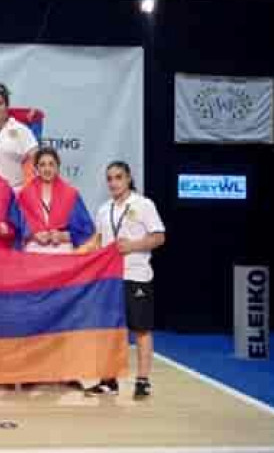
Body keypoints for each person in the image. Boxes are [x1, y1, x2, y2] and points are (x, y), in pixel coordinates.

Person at [78, 161, 165, 400]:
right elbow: (97, 241)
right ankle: (109, 380)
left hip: (136, 275)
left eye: (118, 177)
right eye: (110, 178)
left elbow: (159, 237)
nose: (113, 182)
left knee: (141, 329)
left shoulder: (143, 204)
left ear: (128, 178)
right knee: (109, 331)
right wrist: (73, 256)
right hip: (109, 279)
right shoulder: (104, 209)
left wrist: (133, 246)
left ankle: (143, 380)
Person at [18, 148, 94, 254]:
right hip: (34, 250)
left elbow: (86, 229)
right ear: (36, 168)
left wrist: (63, 236)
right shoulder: (25, 194)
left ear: (57, 167)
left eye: (51, 164)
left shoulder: (70, 194)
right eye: (42, 165)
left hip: (62, 250)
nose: (47, 169)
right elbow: (17, 226)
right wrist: (33, 235)